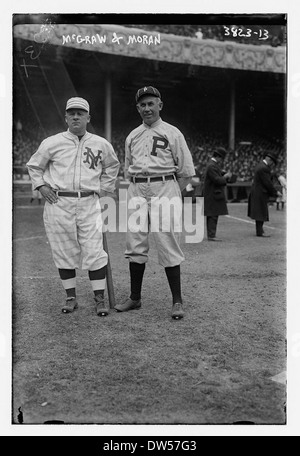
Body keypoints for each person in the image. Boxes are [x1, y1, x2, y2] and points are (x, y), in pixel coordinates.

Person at [26, 97, 120, 316]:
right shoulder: (52, 142)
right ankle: (71, 297)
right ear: (66, 117)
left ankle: (99, 298)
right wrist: (41, 186)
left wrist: (104, 190)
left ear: (88, 117)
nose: (76, 116)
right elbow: (34, 166)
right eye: (72, 113)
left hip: (89, 201)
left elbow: (112, 166)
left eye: (80, 113)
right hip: (59, 201)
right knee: (63, 249)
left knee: (95, 250)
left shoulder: (101, 143)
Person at [114, 86, 195, 320]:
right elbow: (129, 168)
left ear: (160, 105)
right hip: (137, 187)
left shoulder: (173, 133)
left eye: (151, 103)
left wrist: (169, 192)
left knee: (167, 241)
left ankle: (177, 301)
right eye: (142, 104)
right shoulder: (132, 135)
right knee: (135, 242)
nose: (147, 108)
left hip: (165, 185)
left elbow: (186, 172)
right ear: (138, 108)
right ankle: (135, 298)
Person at [247, 151, 282, 237]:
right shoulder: (264, 168)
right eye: (272, 163)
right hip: (260, 193)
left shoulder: (260, 165)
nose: (272, 165)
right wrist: (275, 192)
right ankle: (260, 232)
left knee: (259, 212)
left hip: (257, 192)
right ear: (269, 160)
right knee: (261, 212)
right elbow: (267, 183)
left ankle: (260, 231)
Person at [203, 147, 232, 241]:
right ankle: (211, 235)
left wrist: (222, 174)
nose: (221, 160)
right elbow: (217, 180)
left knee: (213, 214)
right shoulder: (212, 166)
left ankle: (211, 235)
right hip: (212, 193)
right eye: (221, 158)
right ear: (218, 157)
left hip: (212, 193)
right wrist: (226, 176)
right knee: (213, 214)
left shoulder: (212, 165)